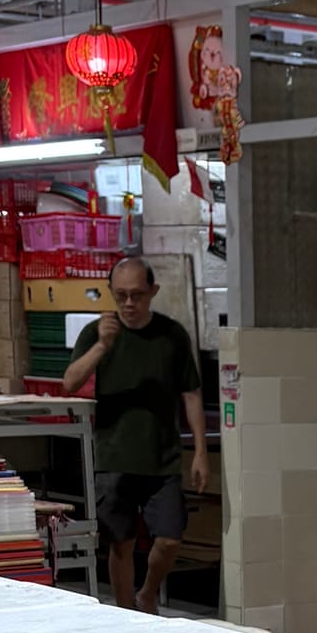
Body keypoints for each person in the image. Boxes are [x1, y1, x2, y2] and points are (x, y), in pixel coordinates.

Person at [61, 255, 208, 614]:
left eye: (137, 295)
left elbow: (191, 393)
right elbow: (70, 382)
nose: (128, 303)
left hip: (163, 457)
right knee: (121, 543)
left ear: (153, 291)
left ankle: (147, 593)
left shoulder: (172, 335)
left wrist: (201, 451)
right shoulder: (96, 332)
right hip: (114, 455)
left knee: (170, 538)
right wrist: (102, 346)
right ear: (111, 292)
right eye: (121, 295)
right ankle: (126, 613)